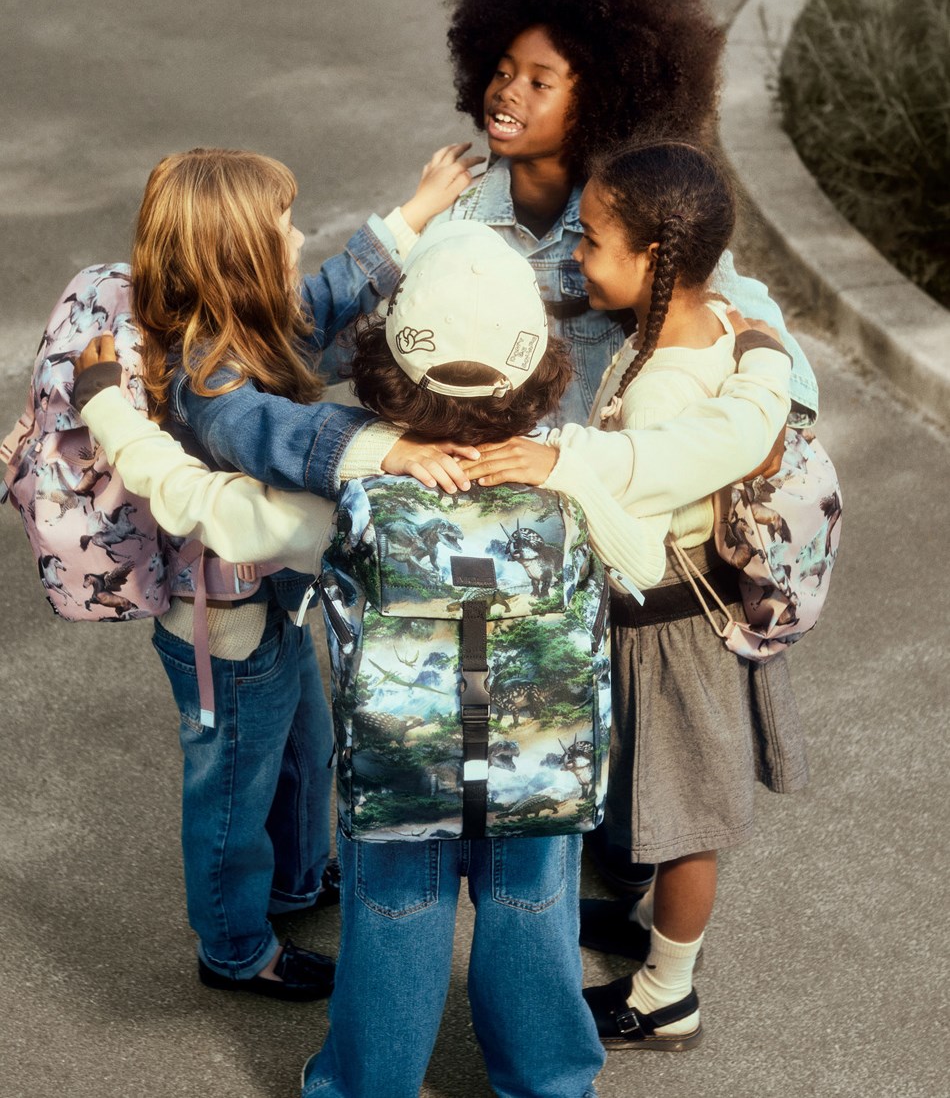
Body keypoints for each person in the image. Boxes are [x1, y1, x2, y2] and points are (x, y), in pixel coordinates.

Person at [73, 218, 793, 1095]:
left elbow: (194, 497)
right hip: (540, 769)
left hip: (400, 770)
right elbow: (683, 505)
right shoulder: (572, 474)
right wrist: (758, 348)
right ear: (538, 367)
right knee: (533, 917)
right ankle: (548, 1081)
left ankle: (370, 1081)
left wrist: (107, 399)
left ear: (391, 366)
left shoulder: (357, 500)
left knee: (394, 917)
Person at [106, 144, 481, 1001]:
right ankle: (235, 946)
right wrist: (392, 450)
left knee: (306, 749)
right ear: (239, 266)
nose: (299, 238)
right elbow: (278, 433)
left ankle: (298, 884)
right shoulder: (210, 379)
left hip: (266, 604)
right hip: (221, 634)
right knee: (233, 790)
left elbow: (324, 296)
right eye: (284, 231)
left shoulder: (238, 330)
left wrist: (415, 211)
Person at [464, 141, 810, 1050]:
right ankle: (641, 932)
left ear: (654, 258)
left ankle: (669, 992)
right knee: (649, 797)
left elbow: (640, 547)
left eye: (591, 242)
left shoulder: (665, 387)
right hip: (661, 626)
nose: (577, 256)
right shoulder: (709, 327)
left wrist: (563, 477)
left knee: (689, 819)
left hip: (673, 629)